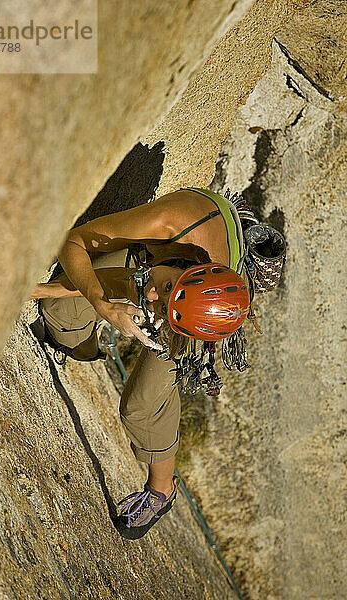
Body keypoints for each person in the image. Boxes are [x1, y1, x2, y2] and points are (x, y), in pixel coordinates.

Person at [31, 187, 250, 539]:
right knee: (61, 313)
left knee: (142, 407)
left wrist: (163, 308)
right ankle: (83, 348)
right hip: (175, 260)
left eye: (159, 305)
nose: (151, 297)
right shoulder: (170, 223)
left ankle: (162, 492)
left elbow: (160, 294)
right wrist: (104, 306)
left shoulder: (199, 313)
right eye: (161, 290)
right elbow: (73, 243)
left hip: (202, 308)